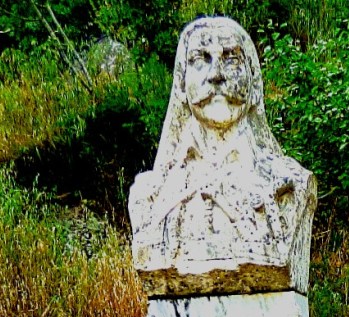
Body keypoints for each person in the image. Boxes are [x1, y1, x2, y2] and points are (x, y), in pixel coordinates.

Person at [129, 16, 315, 291]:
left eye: (231, 59)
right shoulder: (149, 195)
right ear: (180, 85)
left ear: (254, 86)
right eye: (200, 59)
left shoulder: (291, 184)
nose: (216, 75)